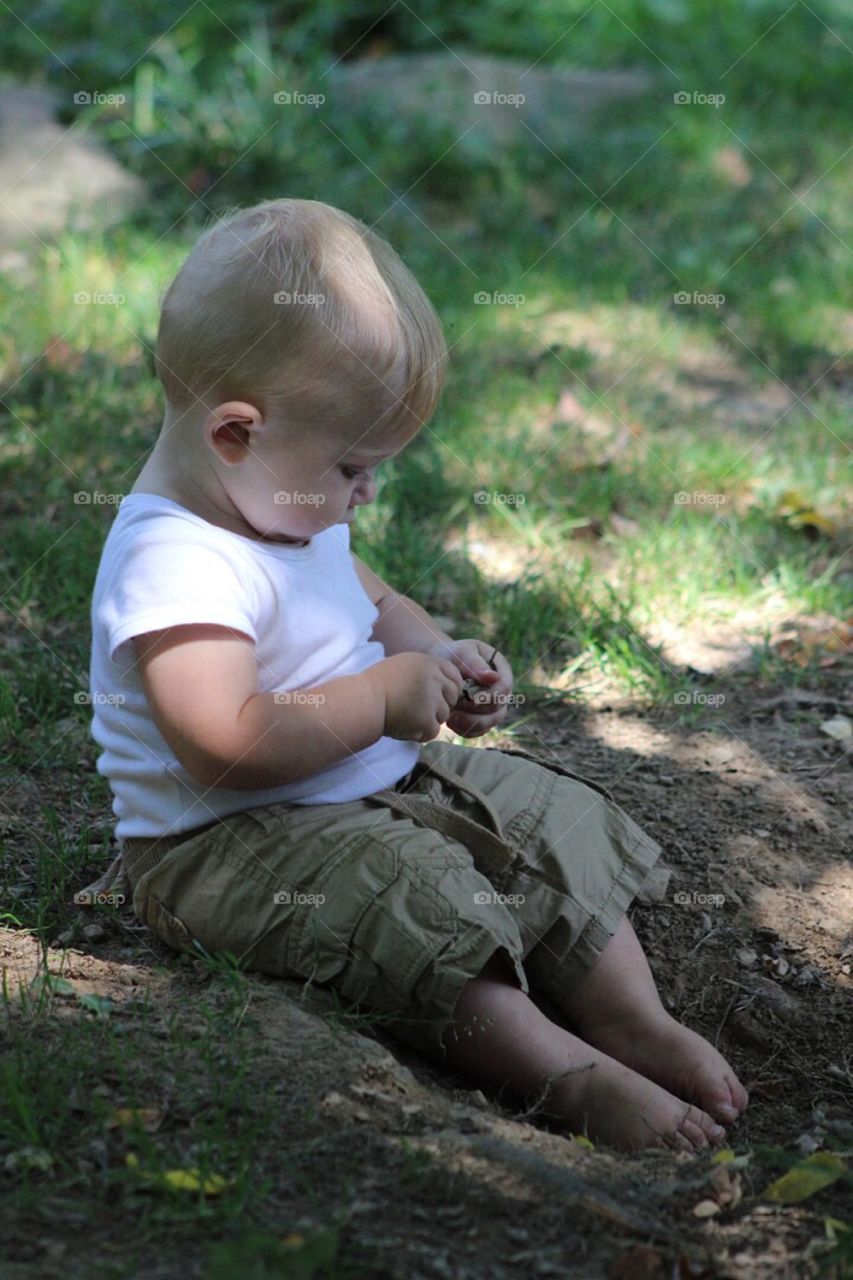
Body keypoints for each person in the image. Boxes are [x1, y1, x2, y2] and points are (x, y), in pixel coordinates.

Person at [86, 197, 748, 1153]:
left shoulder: (279, 503)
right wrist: (382, 699)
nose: (366, 493)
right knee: (418, 899)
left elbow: (374, 599)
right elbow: (223, 742)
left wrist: (432, 653)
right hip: (224, 846)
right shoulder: (174, 564)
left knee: (543, 818)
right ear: (235, 432)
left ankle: (626, 1017)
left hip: (365, 780)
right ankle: (563, 1076)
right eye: (353, 466)